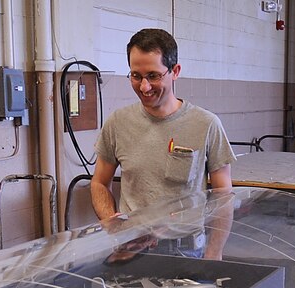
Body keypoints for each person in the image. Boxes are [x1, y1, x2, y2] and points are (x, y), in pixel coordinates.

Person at [90, 28, 235, 260]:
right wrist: (112, 223)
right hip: (131, 251)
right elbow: (99, 183)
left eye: (153, 76)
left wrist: (215, 251)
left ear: (175, 71)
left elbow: (223, 196)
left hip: (187, 252)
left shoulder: (206, 124)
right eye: (136, 76)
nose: (144, 87)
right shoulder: (118, 123)